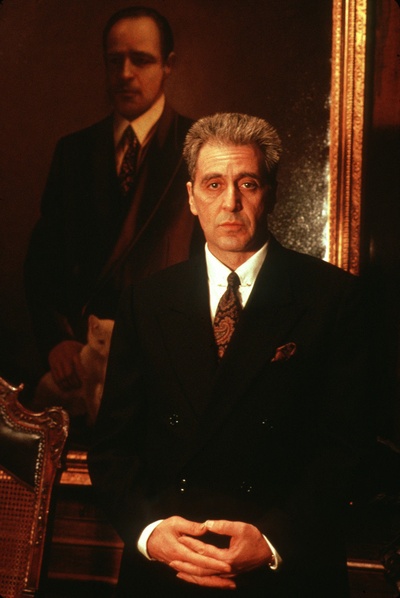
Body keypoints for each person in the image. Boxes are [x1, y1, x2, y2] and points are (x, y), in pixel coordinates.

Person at [88, 112, 380, 596]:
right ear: (191, 197)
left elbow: (348, 449)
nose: (230, 202)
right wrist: (150, 534)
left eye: (248, 183)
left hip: (285, 571)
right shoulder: (146, 300)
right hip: (168, 568)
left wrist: (272, 541)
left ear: (272, 193)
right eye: (213, 184)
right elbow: (113, 448)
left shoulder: (333, 298)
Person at [24, 6, 202, 403]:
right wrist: (57, 340)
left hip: (166, 365)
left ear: (168, 65)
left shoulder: (201, 147)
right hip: (82, 362)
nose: (125, 73)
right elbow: (42, 263)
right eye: (114, 60)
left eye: (141, 60)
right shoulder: (73, 152)